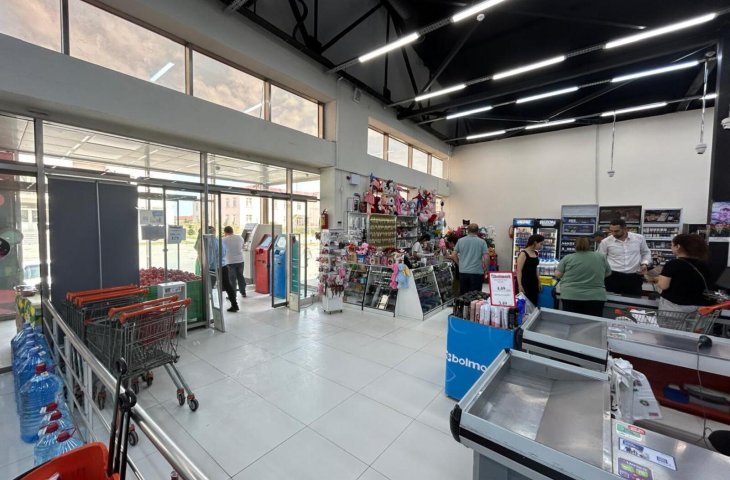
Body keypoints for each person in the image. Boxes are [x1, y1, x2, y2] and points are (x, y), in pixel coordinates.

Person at [555, 237, 612, 317]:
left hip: (571, 295)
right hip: (595, 296)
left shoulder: (568, 258)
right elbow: (608, 273)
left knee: (571, 321)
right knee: (593, 322)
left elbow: (558, 274)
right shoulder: (601, 257)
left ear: (575, 246)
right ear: (590, 245)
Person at [655, 234, 711, 313]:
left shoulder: (673, 264)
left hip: (674, 307)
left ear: (678, 246)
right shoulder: (703, 265)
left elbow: (663, 286)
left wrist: (657, 279)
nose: (671, 247)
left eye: (672, 245)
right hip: (698, 307)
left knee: (669, 322)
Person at [598, 219, 652, 296]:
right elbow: (600, 259)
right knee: (613, 300)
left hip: (634, 277)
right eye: (611, 231)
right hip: (613, 276)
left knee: (634, 300)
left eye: (616, 231)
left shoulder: (639, 238)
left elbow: (646, 252)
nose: (613, 233)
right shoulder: (606, 242)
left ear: (625, 229)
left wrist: (644, 263)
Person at [454, 223, 488, 294]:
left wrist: (459, 264)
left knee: (464, 295)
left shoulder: (460, 241)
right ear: (477, 231)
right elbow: (486, 257)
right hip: (477, 272)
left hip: (463, 272)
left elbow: (453, 255)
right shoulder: (482, 242)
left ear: (468, 230)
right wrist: (486, 269)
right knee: (476, 295)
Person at [222, 225, 246, 312]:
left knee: (232, 279)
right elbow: (243, 246)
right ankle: (243, 291)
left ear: (225, 232)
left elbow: (223, 250)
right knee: (240, 276)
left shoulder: (224, 239)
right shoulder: (240, 237)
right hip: (240, 260)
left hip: (230, 262)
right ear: (232, 230)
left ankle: (233, 295)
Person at [516, 234, 544, 306]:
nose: (542, 246)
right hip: (524, 282)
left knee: (533, 303)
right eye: (541, 244)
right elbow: (519, 270)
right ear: (535, 242)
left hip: (533, 282)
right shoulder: (523, 254)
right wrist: (519, 285)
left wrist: (539, 281)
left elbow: (535, 268)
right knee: (525, 305)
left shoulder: (535, 253)